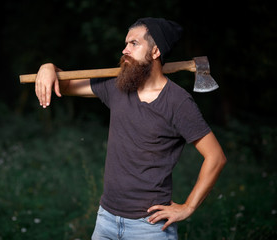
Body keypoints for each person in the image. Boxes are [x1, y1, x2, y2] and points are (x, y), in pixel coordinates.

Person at [35, 17, 226, 240]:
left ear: (155, 51)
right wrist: (48, 68)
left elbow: (216, 157)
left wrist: (188, 207)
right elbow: (65, 85)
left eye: (134, 44)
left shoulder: (178, 102)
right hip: (106, 219)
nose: (125, 50)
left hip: (150, 228)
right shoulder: (117, 86)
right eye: (125, 43)